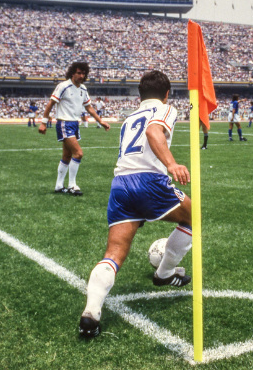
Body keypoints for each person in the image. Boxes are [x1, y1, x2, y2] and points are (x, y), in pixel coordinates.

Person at [78, 70, 193, 339]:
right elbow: (154, 131)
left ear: (139, 95)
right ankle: (164, 273)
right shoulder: (165, 109)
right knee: (193, 217)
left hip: (120, 185)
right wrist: (171, 164)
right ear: (166, 94)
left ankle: (90, 314)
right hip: (148, 181)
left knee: (114, 253)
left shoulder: (130, 117)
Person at [38, 62, 110, 195]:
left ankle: (59, 186)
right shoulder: (64, 86)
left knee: (67, 156)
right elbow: (50, 103)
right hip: (64, 123)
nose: (81, 76)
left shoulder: (83, 89)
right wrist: (43, 122)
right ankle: (72, 185)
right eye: (78, 73)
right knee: (78, 153)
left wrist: (101, 121)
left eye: (83, 73)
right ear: (72, 73)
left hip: (75, 124)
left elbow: (89, 107)